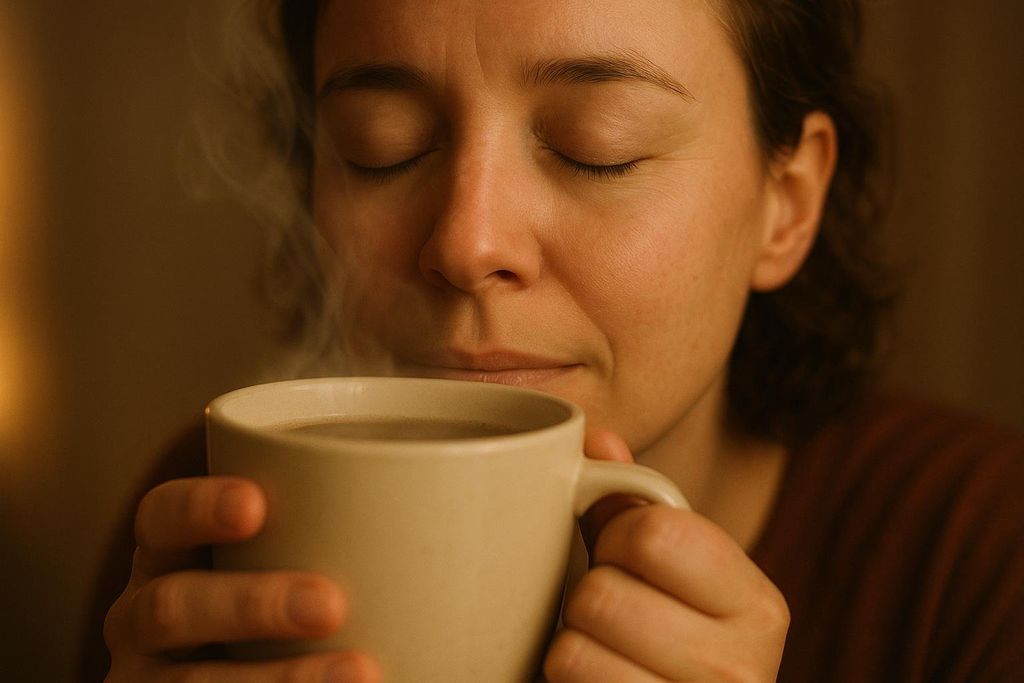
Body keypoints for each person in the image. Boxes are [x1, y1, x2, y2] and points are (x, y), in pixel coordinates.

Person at [91, 0, 1024, 681]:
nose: (465, 243)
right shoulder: (209, 533)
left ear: (787, 205)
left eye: (596, 148)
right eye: (383, 146)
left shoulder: (977, 560)